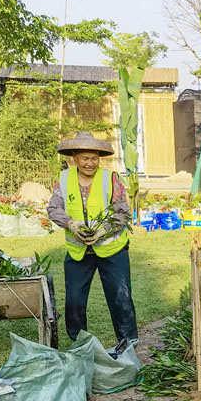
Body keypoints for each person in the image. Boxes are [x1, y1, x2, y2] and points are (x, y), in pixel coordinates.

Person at [47, 131, 139, 354]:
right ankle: (81, 346)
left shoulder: (111, 179)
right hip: (79, 251)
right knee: (74, 301)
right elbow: (53, 209)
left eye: (94, 158)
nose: (90, 163)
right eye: (85, 158)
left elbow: (123, 212)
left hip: (112, 248)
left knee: (120, 297)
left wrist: (103, 231)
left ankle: (128, 345)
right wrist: (71, 224)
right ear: (75, 158)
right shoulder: (64, 179)